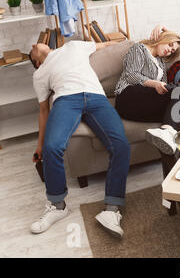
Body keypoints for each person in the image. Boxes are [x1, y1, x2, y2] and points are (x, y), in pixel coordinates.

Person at [29, 40, 130, 238]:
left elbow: (104, 44)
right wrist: (40, 145)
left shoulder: (73, 46)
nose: (34, 44)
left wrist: (125, 40)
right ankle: (58, 205)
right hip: (66, 101)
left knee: (121, 145)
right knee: (52, 147)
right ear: (36, 62)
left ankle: (111, 210)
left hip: (97, 98)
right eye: (32, 50)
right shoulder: (39, 74)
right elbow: (43, 110)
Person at [114, 25, 180, 155]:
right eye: (170, 45)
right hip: (128, 97)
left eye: (172, 50)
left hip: (147, 104)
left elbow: (164, 90)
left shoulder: (161, 63)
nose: (170, 50)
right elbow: (131, 75)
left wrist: (166, 87)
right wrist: (155, 84)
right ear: (163, 38)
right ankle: (167, 132)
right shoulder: (139, 48)